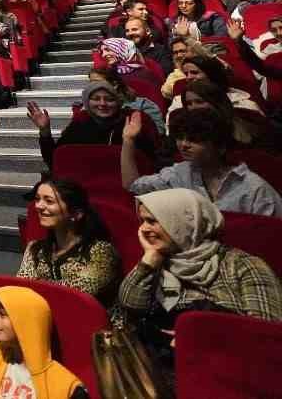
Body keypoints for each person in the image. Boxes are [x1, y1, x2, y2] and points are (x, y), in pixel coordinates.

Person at [114, 188, 282, 377]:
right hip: (163, 368)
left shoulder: (243, 265)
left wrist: (203, 338)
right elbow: (130, 303)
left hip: (226, 370)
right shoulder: (160, 259)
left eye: (152, 221)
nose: (143, 229)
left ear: (181, 223)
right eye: (142, 221)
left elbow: (265, 334)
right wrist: (150, 260)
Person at [121, 107, 282, 216]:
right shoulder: (179, 172)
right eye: (180, 138)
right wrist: (128, 140)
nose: (183, 145)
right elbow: (132, 185)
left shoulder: (255, 189)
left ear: (220, 146)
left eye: (194, 140)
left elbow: (271, 237)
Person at [17, 176, 120, 303]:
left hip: (90, 320)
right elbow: (21, 289)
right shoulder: (35, 249)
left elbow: (74, 294)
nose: (39, 206)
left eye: (49, 201)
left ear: (76, 214)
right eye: (37, 199)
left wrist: (37, 286)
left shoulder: (100, 251)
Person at [28, 81, 155, 170]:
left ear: (118, 103)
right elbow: (54, 160)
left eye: (109, 99)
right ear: (87, 103)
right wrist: (45, 131)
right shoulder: (79, 124)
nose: (102, 104)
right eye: (96, 98)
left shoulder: (133, 123)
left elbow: (149, 161)